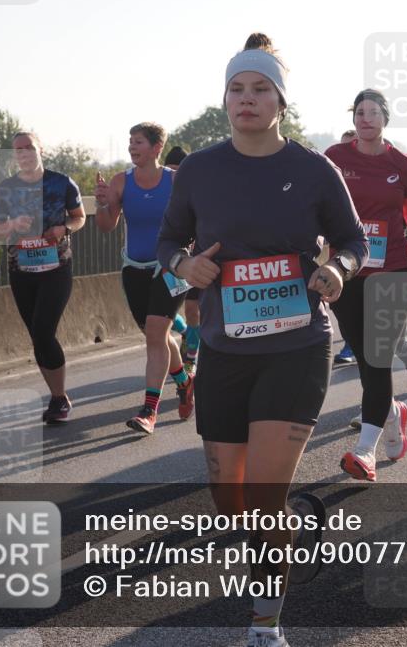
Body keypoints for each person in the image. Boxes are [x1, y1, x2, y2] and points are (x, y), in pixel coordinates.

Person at [157, 33, 368, 647]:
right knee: (232, 501)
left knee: (265, 494)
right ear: (225, 100)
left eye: (259, 89)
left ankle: (265, 623)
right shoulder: (198, 170)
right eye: (236, 89)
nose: (246, 99)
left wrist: (338, 270)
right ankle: (295, 524)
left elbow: (355, 241)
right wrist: (184, 267)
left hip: (296, 348)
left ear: (280, 102)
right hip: (225, 350)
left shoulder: (314, 169)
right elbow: (168, 242)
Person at [326, 89, 407, 482]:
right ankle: (392, 412)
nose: (365, 118)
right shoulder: (334, 158)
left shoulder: (403, 165)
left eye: (373, 112)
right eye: (359, 112)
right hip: (347, 272)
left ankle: (364, 452)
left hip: (392, 269)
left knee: (376, 358)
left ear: (385, 118)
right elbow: (319, 205)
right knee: (365, 358)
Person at [95, 123, 195, 435]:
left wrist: (185, 256)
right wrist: (102, 203)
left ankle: (149, 411)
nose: (131, 147)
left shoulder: (176, 180)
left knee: (156, 332)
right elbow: (106, 225)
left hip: (170, 268)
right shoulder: (121, 181)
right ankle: (185, 381)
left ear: (156, 147)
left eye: (138, 142)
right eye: (130, 142)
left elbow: (195, 221)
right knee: (155, 336)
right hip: (133, 268)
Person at [0, 132, 85, 424]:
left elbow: (79, 216)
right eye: (18, 149)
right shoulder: (6, 188)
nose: (24, 153)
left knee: (43, 332)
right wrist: (12, 224)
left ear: (40, 149)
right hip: (21, 270)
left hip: (56, 268)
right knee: (37, 336)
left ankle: (59, 398)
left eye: (29, 147)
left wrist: (64, 229)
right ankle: (58, 397)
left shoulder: (62, 182)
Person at [164, 145, 201, 372]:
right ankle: (187, 332)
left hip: (192, 260)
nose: (173, 176)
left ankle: (191, 359)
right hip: (165, 260)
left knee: (192, 308)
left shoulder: (195, 190)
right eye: (169, 170)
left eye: (178, 171)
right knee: (162, 313)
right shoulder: (157, 190)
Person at [332, 129, 359, 366]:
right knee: (341, 304)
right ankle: (352, 343)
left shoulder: (376, 175)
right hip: (343, 255)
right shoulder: (332, 178)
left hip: (379, 256)